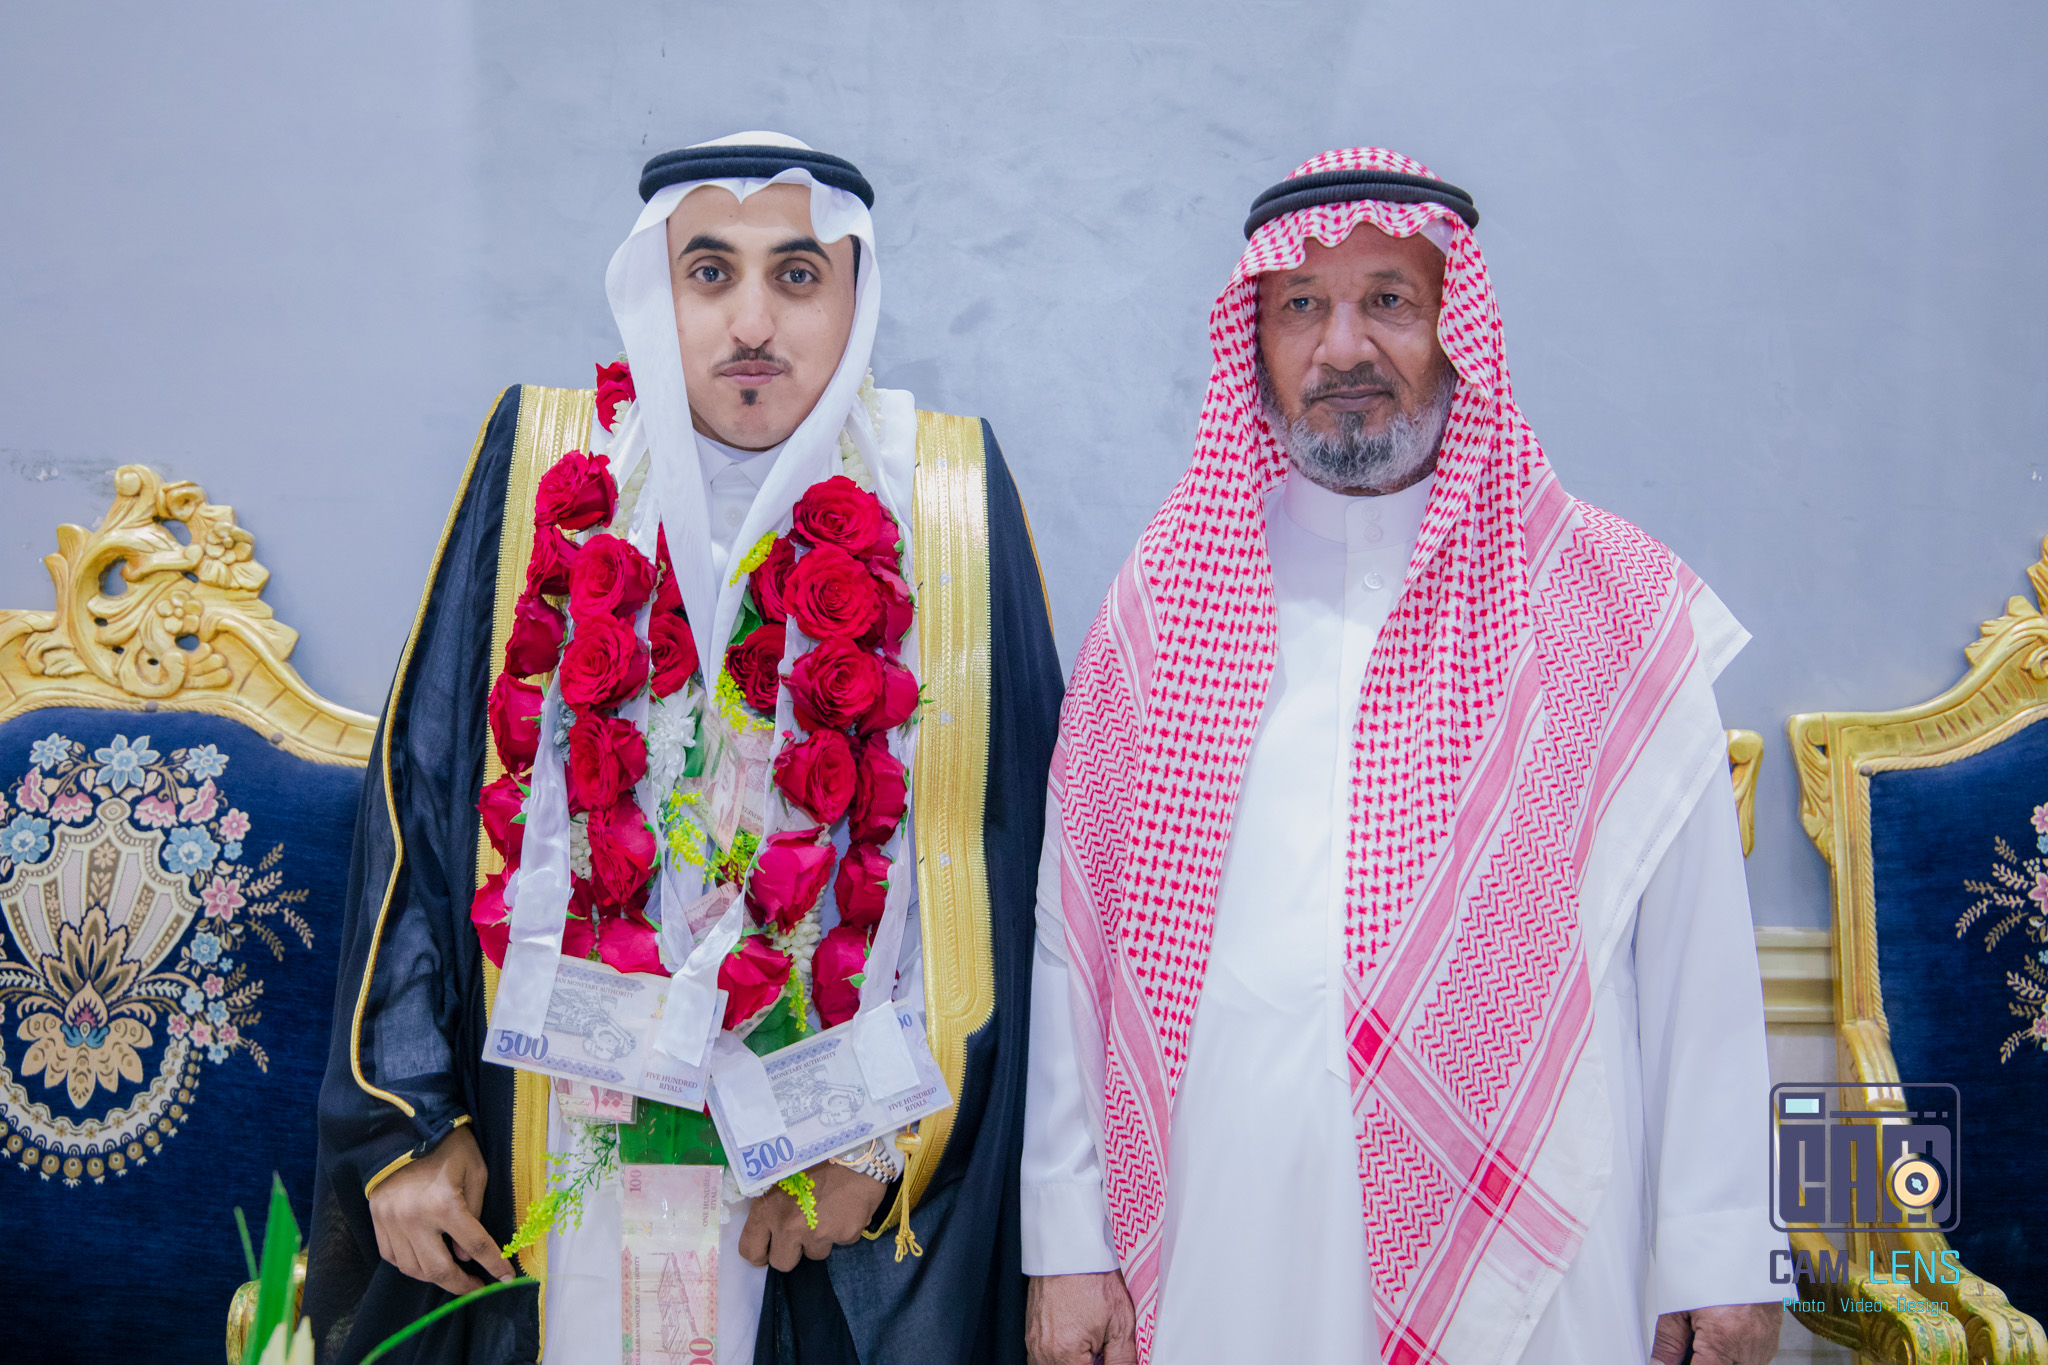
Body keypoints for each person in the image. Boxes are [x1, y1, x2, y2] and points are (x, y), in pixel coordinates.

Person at [1020, 147, 1783, 1365]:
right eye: (1300, 306)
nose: (1342, 347)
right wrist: (1066, 1240)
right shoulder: (1162, 606)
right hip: (1227, 1230)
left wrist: (1720, 1251)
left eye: (1388, 299)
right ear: (1255, 340)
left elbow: (1698, 964)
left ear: (1454, 326)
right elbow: (1074, 945)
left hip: (1537, 1251)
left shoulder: (1604, 601)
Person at [309, 132, 1062, 1365]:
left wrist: (883, 1149)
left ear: (855, 298)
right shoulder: (550, 464)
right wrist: (406, 1125)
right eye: (708, 273)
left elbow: (999, 865)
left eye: (797, 275)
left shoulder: (944, 498)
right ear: (653, 293)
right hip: (555, 1135)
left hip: (818, 1177)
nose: (751, 321)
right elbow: (424, 798)